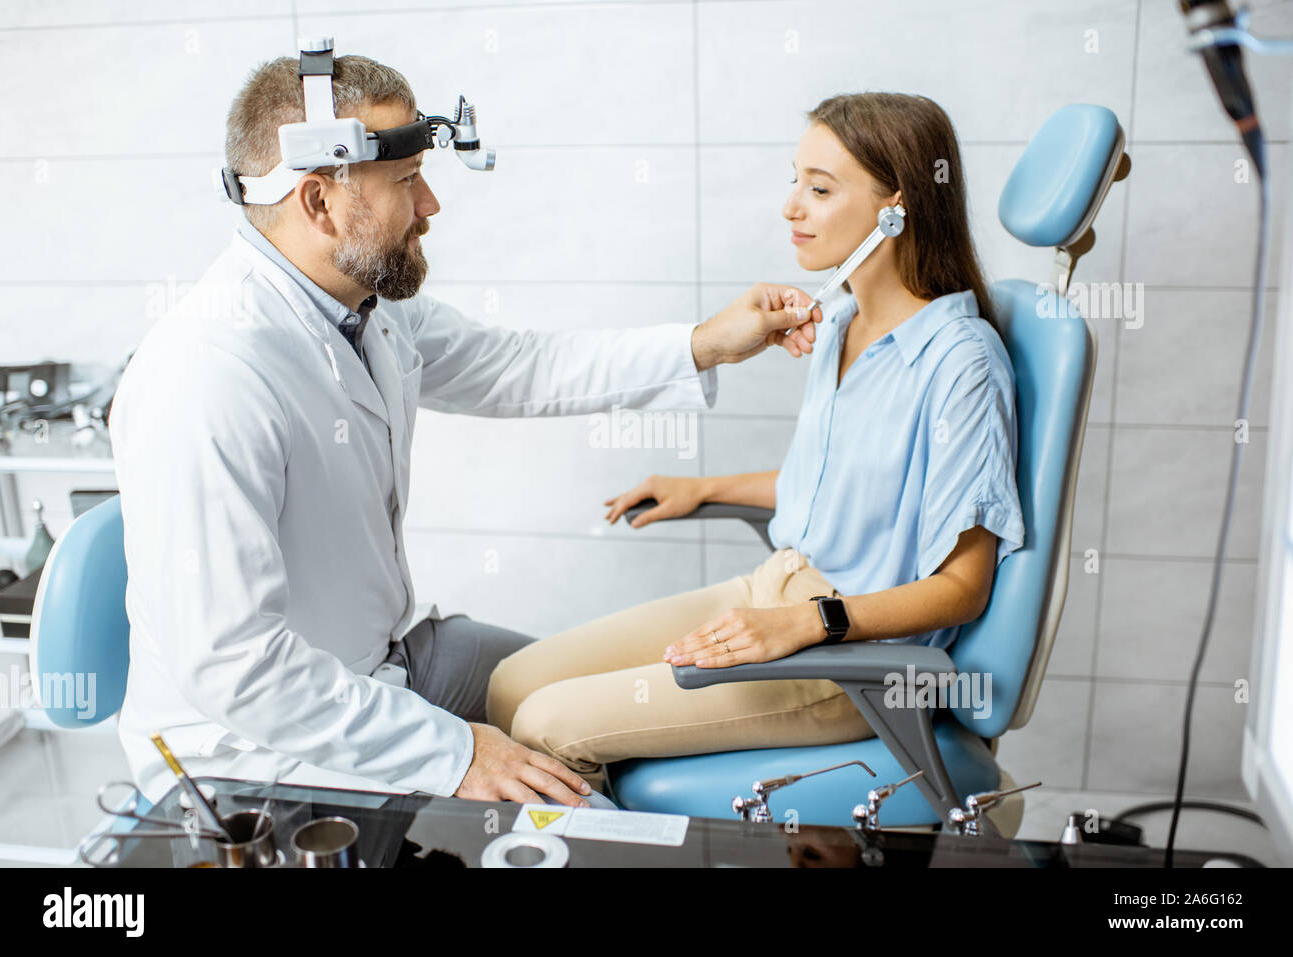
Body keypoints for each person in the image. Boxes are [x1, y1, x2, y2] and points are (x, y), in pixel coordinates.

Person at [109, 52, 824, 807]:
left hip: (378, 663)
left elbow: (523, 368)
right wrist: (455, 752)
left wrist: (707, 341)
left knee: (597, 709)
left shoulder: (362, 309)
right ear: (318, 201)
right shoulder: (207, 375)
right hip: (257, 749)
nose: (430, 205)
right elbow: (240, 670)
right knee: (581, 809)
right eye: (406, 180)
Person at [487, 92, 1026, 792]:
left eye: (820, 188)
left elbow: (962, 585)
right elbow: (846, 482)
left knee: (548, 724)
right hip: (776, 586)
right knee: (509, 686)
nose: (791, 207)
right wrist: (705, 487)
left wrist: (813, 622)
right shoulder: (839, 322)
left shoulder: (962, 362)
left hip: (852, 656)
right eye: (795, 180)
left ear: (897, 206)